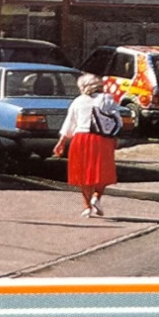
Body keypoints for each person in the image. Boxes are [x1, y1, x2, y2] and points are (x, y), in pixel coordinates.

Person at [51, 72, 121, 217]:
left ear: (82, 87)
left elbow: (69, 124)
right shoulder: (107, 99)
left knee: (83, 174)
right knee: (102, 172)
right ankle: (97, 197)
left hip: (80, 139)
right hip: (102, 139)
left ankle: (87, 206)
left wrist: (61, 143)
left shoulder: (78, 101)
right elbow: (117, 121)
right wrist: (115, 136)